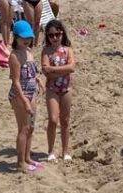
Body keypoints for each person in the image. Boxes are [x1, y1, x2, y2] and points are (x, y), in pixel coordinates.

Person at [8, 19, 43, 172]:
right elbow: (15, 82)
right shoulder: (14, 56)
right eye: (23, 37)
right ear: (15, 37)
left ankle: (28, 157)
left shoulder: (29, 52)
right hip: (19, 95)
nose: (26, 40)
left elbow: (32, 72)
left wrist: (38, 80)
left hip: (32, 91)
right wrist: (25, 101)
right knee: (23, 128)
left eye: (28, 37)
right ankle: (20, 162)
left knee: (31, 127)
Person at [42, 19, 74, 162]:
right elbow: (46, 71)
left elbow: (72, 68)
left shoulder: (68, 49)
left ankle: (65, 151)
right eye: (51, 35)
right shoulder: (46, 51)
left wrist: (53, 70)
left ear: (62, 34)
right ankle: (51, 151)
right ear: (47, 37)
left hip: (66, 88)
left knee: (65, 120)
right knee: (53, 120)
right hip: (52, 89)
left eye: (57, 34)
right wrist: (63, 70)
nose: (55, 37)